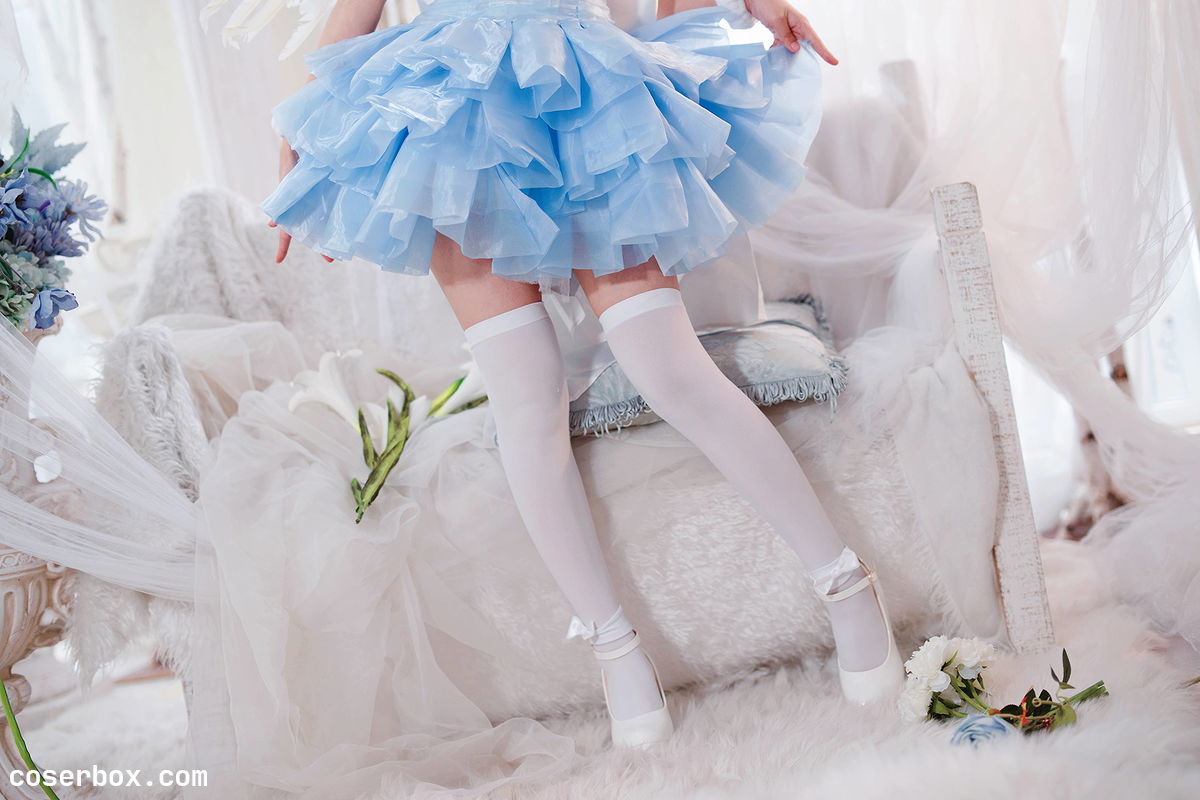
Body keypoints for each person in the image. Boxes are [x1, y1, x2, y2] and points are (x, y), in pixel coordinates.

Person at [263, 0, 903, 750]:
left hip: (585, 88)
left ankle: (844, 582)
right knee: (525, 394)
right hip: (449, 108)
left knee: (667, 365)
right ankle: (612, 645)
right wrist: (307, 140)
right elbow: (354, 10)